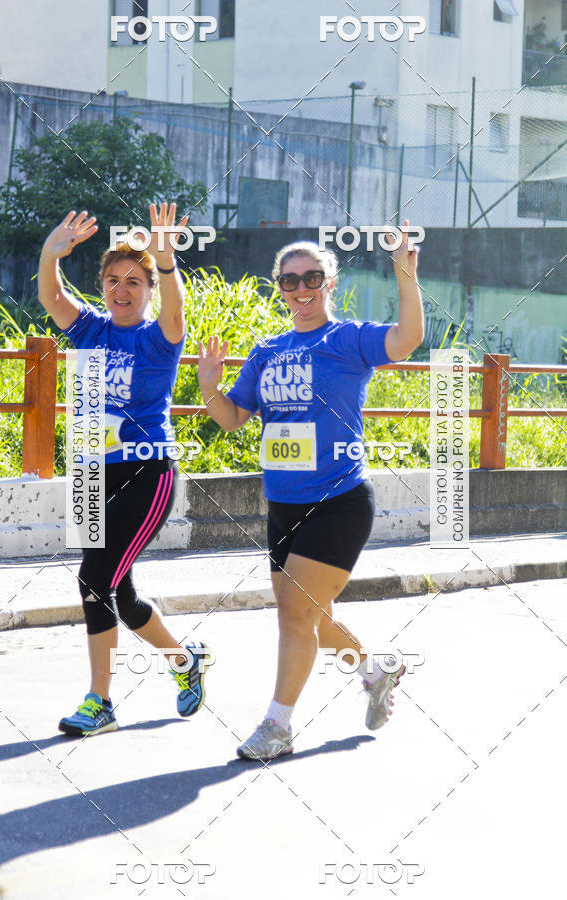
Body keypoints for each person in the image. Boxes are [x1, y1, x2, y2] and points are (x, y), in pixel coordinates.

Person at [198, 223, 424, 760]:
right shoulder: (268, 350)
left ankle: (277, 726)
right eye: (290, 279)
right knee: (310, 618)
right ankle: (375, 670)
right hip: (284, 505)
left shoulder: (347, 339)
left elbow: (407, 339)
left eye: (312, 277)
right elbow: (232, 418)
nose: (301, 288)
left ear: (330, 282)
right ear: (279, 286)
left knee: (294, 617)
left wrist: (406, 273)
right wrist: (210, 385)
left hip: (339, 501)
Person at [37, 202, 208, 737]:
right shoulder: (89, 330)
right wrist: (50, 253)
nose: (122, 289)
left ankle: (100, 702)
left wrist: (165, 259)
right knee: (120, 593)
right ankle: (183, 661)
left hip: (145, 474)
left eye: (136, 281)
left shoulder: (158, 339)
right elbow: (52, 297)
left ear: (150, 290)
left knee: (93, 579)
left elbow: (177, 313)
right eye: (113, 280)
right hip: (93, 475)